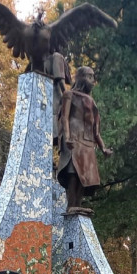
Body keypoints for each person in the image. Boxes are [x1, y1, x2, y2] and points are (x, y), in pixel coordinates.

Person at [56, 66, 113, 215]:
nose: (92, 80)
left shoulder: (91, 101)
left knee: (85, 175)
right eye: (89, 76)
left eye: (93, 77)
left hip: (87, 141)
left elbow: (96, 130)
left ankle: (77, 204)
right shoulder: (69, 95)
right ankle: (71, 205)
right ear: (80, 78)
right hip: (74, 139)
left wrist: (103, 148)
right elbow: (64, 118)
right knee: (73, 172)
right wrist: (67, 137)